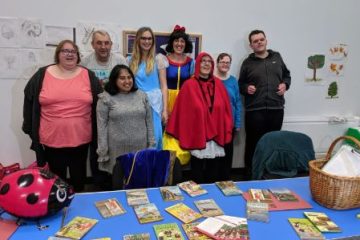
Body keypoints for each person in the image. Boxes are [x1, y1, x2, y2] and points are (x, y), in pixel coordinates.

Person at [22, 40, 102, 192]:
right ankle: (58, 209)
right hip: (52, 140)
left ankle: (77, 209)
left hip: (81, 139)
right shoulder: (42, 74)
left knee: (79, 180)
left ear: (78, 55)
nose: (69, 54)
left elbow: (100, 103)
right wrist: (29, 127)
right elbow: (29, 100)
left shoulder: (88, 75)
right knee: (56, 182)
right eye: (65, 51)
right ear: (58, 54)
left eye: (73, 51)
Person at [166, 52, 233, 183]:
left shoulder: (219, 85)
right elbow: (182, 112)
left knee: (213, 170)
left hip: (216, 135)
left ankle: (212, 196)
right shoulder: (188, 85)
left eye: (209, 61)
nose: (206, 63)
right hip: (198, 134)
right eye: (203, 61)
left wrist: (227, 127)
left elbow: (226, 109)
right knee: (197, 171)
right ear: (197, 64)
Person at [238, 30, 291, 180]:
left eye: (261, 39)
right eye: (255, 41)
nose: (259, 42)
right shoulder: (247, 63)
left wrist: (285, 85)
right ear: (251, 45)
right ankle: (250, 172)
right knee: (253, 143)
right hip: (255, 110)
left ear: (266, 41)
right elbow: (241, 84)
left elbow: (287, 75)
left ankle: (269, 171)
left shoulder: (277, 57)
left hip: (276, 109)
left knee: (273, 142)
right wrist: (246, 88)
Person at [96, 64, 155, 177]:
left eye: (129, 77)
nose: (127, 81)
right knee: (119, 182)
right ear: (114, 80)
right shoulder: (105, 98)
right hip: (117, 150)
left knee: (139, 181)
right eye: (122, 78)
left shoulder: (142, 96)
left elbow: (149, 122)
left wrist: (151, 144)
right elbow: (101, 127)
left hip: (140, 149)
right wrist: (103, 150)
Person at [128, 27, 168, 149]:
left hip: (154, 106)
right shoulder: (130, 61)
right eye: (144, 38)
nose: (147, 41)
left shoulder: (158, 59)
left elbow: (164, 86)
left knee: (155, 138)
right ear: (138, 40)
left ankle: (155, 167)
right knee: (139, 139)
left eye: (149, 38)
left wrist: (165, 110)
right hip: (137, 105)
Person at [214, 53, 242, 180]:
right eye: (222, 62)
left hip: (229, 124)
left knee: (227, 153)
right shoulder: (212, 80)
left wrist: (237, 123)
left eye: (227, 62)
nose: (225, 64)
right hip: (215, 124)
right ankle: (214, 180)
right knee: (215, 155)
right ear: (217, 63)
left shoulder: (233, 81)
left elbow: (238, 103)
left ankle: (225, 180)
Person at [165, 25, 195, 115]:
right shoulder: (164, 60)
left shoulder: (191, 62)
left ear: (186, 44)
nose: (179, 44)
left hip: (185, 99)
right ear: (172, 43)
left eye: (182, 41)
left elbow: (193, 86)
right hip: (168, 100)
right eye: (176, 41)